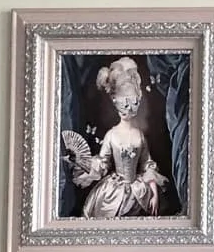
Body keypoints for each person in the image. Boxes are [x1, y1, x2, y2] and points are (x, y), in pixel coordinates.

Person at [62, 57, 168, 218]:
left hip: (138, 190)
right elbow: (103, 164)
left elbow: (147, 164)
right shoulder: (111, 135)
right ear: (114, 101)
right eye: (123, 103)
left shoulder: (139, 134)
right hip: (113, 192)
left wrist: (154, 192)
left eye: (133, 102)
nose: (128, 108)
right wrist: (84, 164)